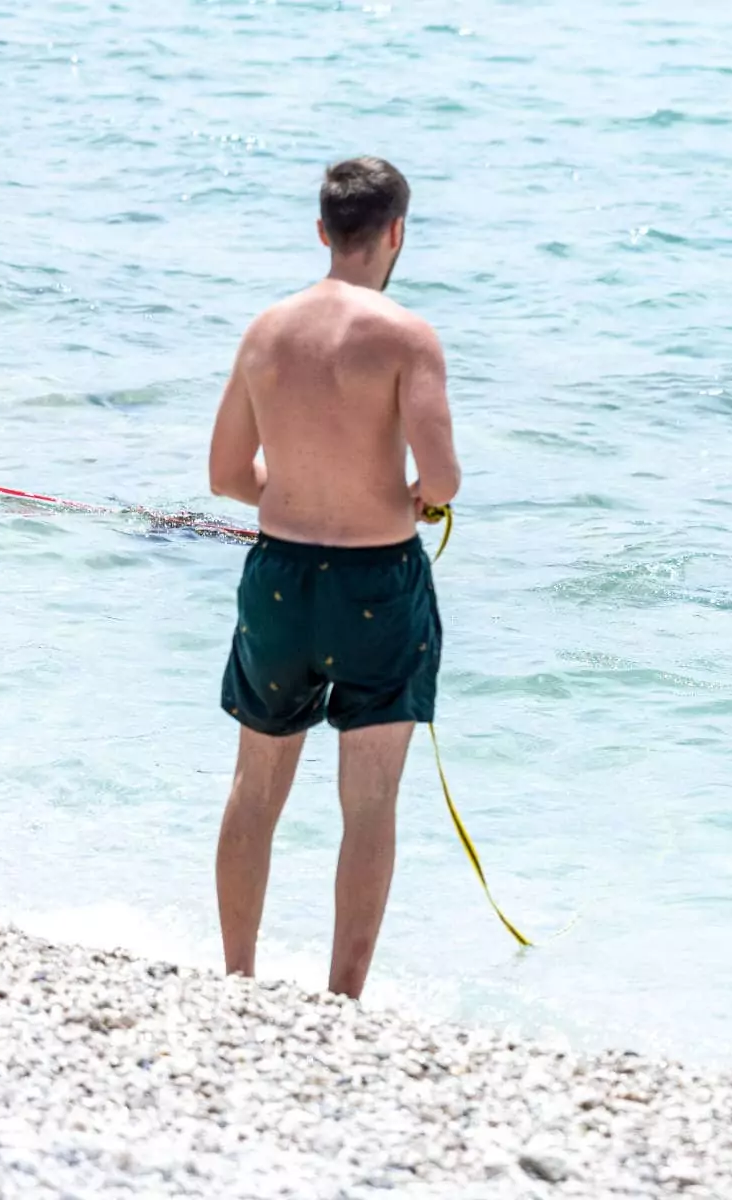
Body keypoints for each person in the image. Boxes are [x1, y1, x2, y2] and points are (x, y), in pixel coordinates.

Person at [206, 156, 460, 999]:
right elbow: (444, 478)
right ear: (394, 233)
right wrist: (415, 499)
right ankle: (341, 997)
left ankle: (237, 977)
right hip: (377, 586)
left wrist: (299, 496)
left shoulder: (266, 331)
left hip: (278, 575)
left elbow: (225, 472)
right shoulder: (405, 336)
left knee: (256, 786)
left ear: (323, 231)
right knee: (370, 802)